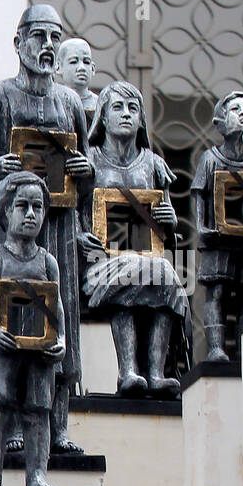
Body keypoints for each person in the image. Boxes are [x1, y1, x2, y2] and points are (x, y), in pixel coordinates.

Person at [0, 4, 91, 455]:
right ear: (19, 43)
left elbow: (87, 173)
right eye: (38, 37)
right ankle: (10, 422)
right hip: (11, 230)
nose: (47, 46)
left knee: (61, 311)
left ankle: (60, 423)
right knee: (12, 315)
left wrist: (84, 171)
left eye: (54, 37)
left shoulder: (70, 102)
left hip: (61, 230)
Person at [82, 80, 189, 396]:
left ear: (142, 117)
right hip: (99, 260)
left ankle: (156, 374)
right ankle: (128, 371)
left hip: (145, 258)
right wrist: (79, 237)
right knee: (132, 271)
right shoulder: (89, 161)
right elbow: (71, 211)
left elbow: (167, 224)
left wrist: (169, 222)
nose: (126, 114)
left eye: (133, 108)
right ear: (103, 116)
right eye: (117, 107)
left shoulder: (154, 164)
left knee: (165, 273)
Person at [0, 172, 64, 486]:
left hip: (38, 354)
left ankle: (37, 474)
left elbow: (58, 306)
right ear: (6, 211)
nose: (31, 214)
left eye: (37, 207)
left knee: (38, 413)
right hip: (2, 352)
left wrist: (62, 340)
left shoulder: (47, 262)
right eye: (23, 206)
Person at [191, 91, 243, 360]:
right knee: (217, 291)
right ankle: (215, 347)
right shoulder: (211, 158)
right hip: (217, 241)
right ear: (220, 121)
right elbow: (199, 193)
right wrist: (203, 227)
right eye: (234, 109)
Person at [55, 37, 98, 119]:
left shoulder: (99, 105)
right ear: (58, 67)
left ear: (93, 68)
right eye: (73, 62)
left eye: (86, 62)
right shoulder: (52, 102)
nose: (82, 68)